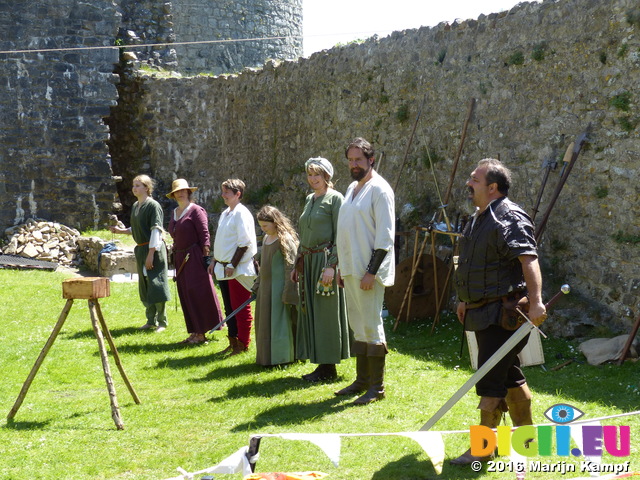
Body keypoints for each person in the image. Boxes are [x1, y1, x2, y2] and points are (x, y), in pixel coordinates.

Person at [450, 158, 547, 465]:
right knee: (508, 372)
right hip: (482, 310)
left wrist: (537, 302)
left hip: (502, 313)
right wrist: (465, 299)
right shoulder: (480, 216)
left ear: (492, 187)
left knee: (490, 377)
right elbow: (474, 262)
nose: (468, 183)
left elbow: (528, 259)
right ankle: (527, 438)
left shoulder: (509, 216)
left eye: (474, 180)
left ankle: (483, 448)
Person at [335, 137, 395, 405]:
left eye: (359, 159)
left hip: (369, 271)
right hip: (350, 269)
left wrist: (371, 271)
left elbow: (385, 237)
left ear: (371, 159)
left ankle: (377, 387)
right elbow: (346, 232)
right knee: (357, 326)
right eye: (350, 160)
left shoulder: (380, 190)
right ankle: (362, 381)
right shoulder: (351, 188)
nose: (354, 164)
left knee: (372, 326)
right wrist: (340, 266)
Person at [293, 157, 350, 382]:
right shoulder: (309, 199)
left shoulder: (336, 199)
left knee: (326, 314)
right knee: (312, 313)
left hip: (324, 263)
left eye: (317, 174)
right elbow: (304, 233)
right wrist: (298, 261)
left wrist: (331, 266)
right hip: (308, 262)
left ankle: (329, 368)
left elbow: (340, 234)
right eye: (310, 174)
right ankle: (320, 363)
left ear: (327, 176)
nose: (313, 179)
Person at [110, 174, 171, 332]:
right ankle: (150, 320)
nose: (134, 188)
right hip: (142, 249)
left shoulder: (153, 206)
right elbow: (136, 229)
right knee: (145, 284)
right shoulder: (137, 206)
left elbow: (155, 231)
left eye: (138, 185)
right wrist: (120, 231)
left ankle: (162, 322)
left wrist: (151, 254)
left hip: (154, 249)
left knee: (157, 284)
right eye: (133, 185)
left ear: (146, 188)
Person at [167, 178, 223, 344]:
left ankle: (201, 332)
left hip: (195, 256)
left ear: (189, 192)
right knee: (186, 293)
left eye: (183, 190)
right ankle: (194, 331)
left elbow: (205, 235)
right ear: (174, 195)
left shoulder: (196, 211)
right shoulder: (175, 212)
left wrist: (205, 258)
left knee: (198, 292)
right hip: (180, 257)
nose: (181, 193)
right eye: (177, 191)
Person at [208, 179, 258, 355]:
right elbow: (222, 241)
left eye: (227, 192)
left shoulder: (241, 214)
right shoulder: (226, 213)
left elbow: (245, 243)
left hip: (237, 269)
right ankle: (233, 342)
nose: (223, 195)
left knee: (240, 308)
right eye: (223, 191)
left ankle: (243, 344)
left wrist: (232, 264)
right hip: (224, 268)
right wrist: (215, 260)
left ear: (238, 194)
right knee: (230, 308)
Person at [253, 206, 299, 366]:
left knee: (280, 323)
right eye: (261, 226)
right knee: (265, 322)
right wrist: (257, 285)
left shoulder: (284, 239)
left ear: (275, 222)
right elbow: (264, 266)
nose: (263, 229)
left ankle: (282, 357)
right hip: (266, 290)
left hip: (279, 290)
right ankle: (267, 357)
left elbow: (291, 267)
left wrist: (288, 291)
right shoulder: (266, 239)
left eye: (265, 225)